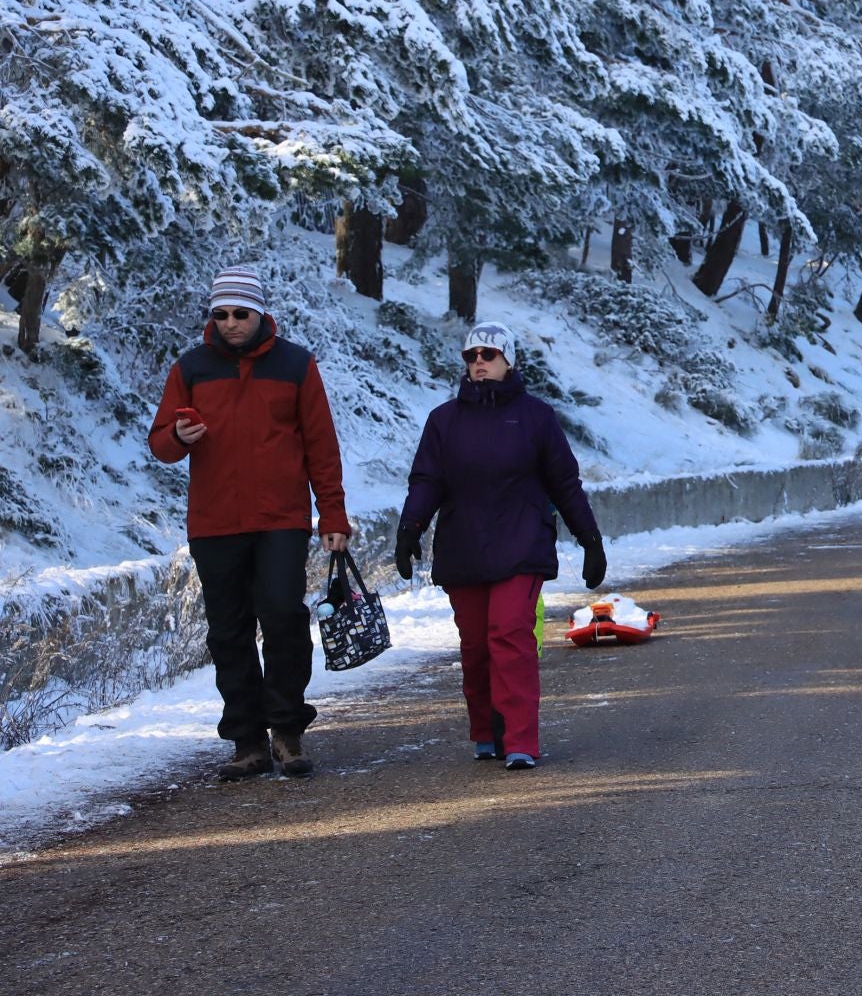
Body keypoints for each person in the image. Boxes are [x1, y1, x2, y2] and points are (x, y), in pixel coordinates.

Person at [147, 265, 351, 781]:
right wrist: (180, 437)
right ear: (212, 316)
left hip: (280, 518)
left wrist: (333, 514)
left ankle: (287, 730)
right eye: (222, 314)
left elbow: (321, 446)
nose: (232, 322)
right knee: (228, 632)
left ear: (261, 314)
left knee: (283, 617)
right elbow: (160, 443)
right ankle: (246, 740)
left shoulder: (296, 365)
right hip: (214, 522)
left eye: (242, 313)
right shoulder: (190, 367)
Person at [396, 323, 606, 768]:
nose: (479, 362)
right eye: (471, 355)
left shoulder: (536, 417)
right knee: (475, 646)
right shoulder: (444, 421)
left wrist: (590, 540)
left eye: (488, 354)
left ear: (509, 360)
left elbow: (565, 483)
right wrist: (409, 529)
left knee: (510, 636)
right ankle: (487, 732)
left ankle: (521, 741)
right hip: (464, 546)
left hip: (521, 542)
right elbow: (427, 481)